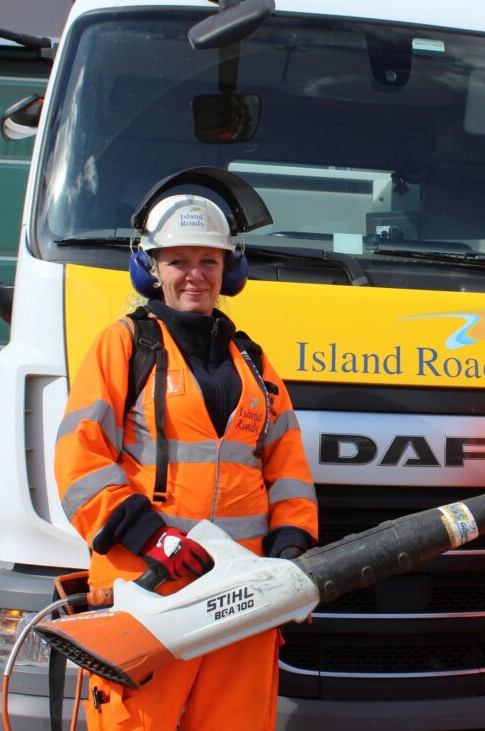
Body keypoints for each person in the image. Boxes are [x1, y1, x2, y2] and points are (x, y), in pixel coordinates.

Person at [55, 188, 318, 730]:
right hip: (148, 586)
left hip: (244, 592)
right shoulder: (125, 344)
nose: (194, 274)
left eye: (208, 260)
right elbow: (78, 455)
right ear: (151, 268)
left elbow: (287, 467)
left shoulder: (252, 360)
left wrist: (293, 542)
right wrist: (152, 536)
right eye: (178, 261)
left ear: (230, 269)